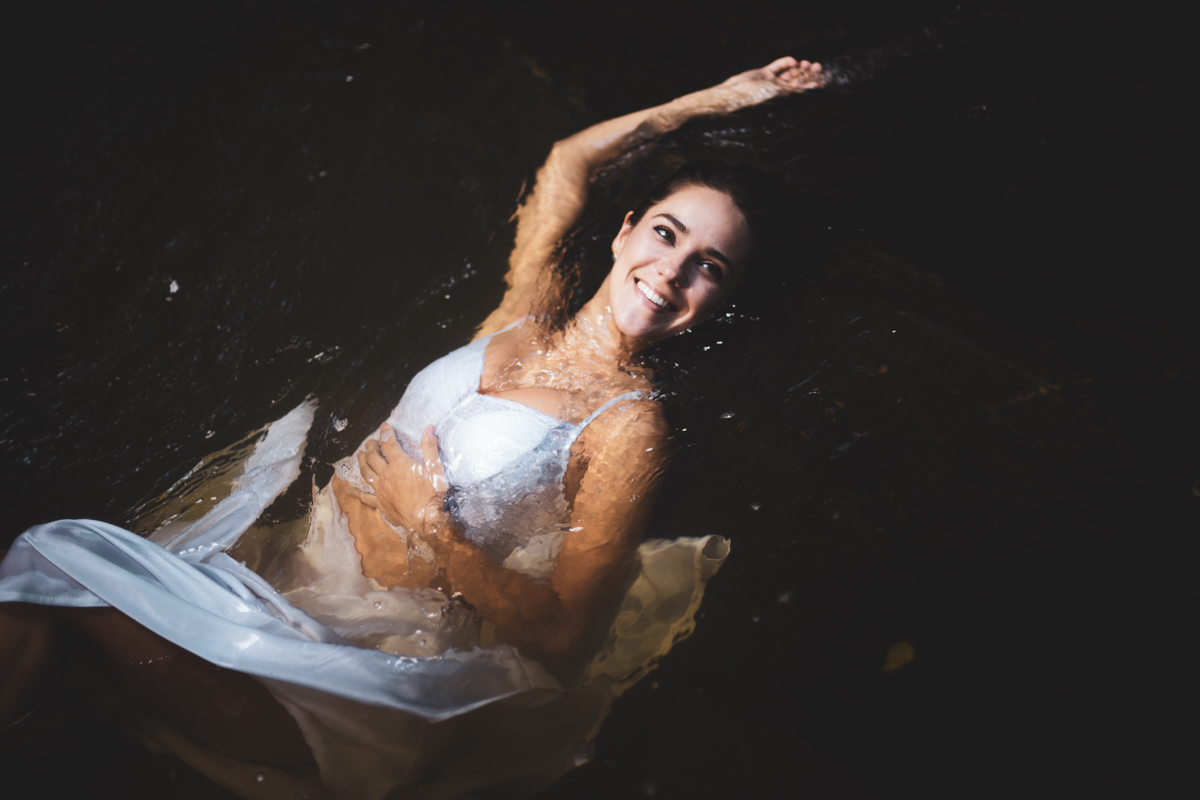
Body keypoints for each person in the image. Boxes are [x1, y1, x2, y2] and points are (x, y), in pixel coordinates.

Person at [0, 56, 824, 796]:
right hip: (284, 584)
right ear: (624, 231)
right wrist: (719, 99)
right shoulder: (519, 316)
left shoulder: (629, 428)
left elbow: (564, 639)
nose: (670, 273)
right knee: (47, 575)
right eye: (666, 233)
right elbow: (568, 160)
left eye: (707, 268)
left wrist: (435, 524)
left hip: (362, 669)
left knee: (53, 566)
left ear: (722, 298)